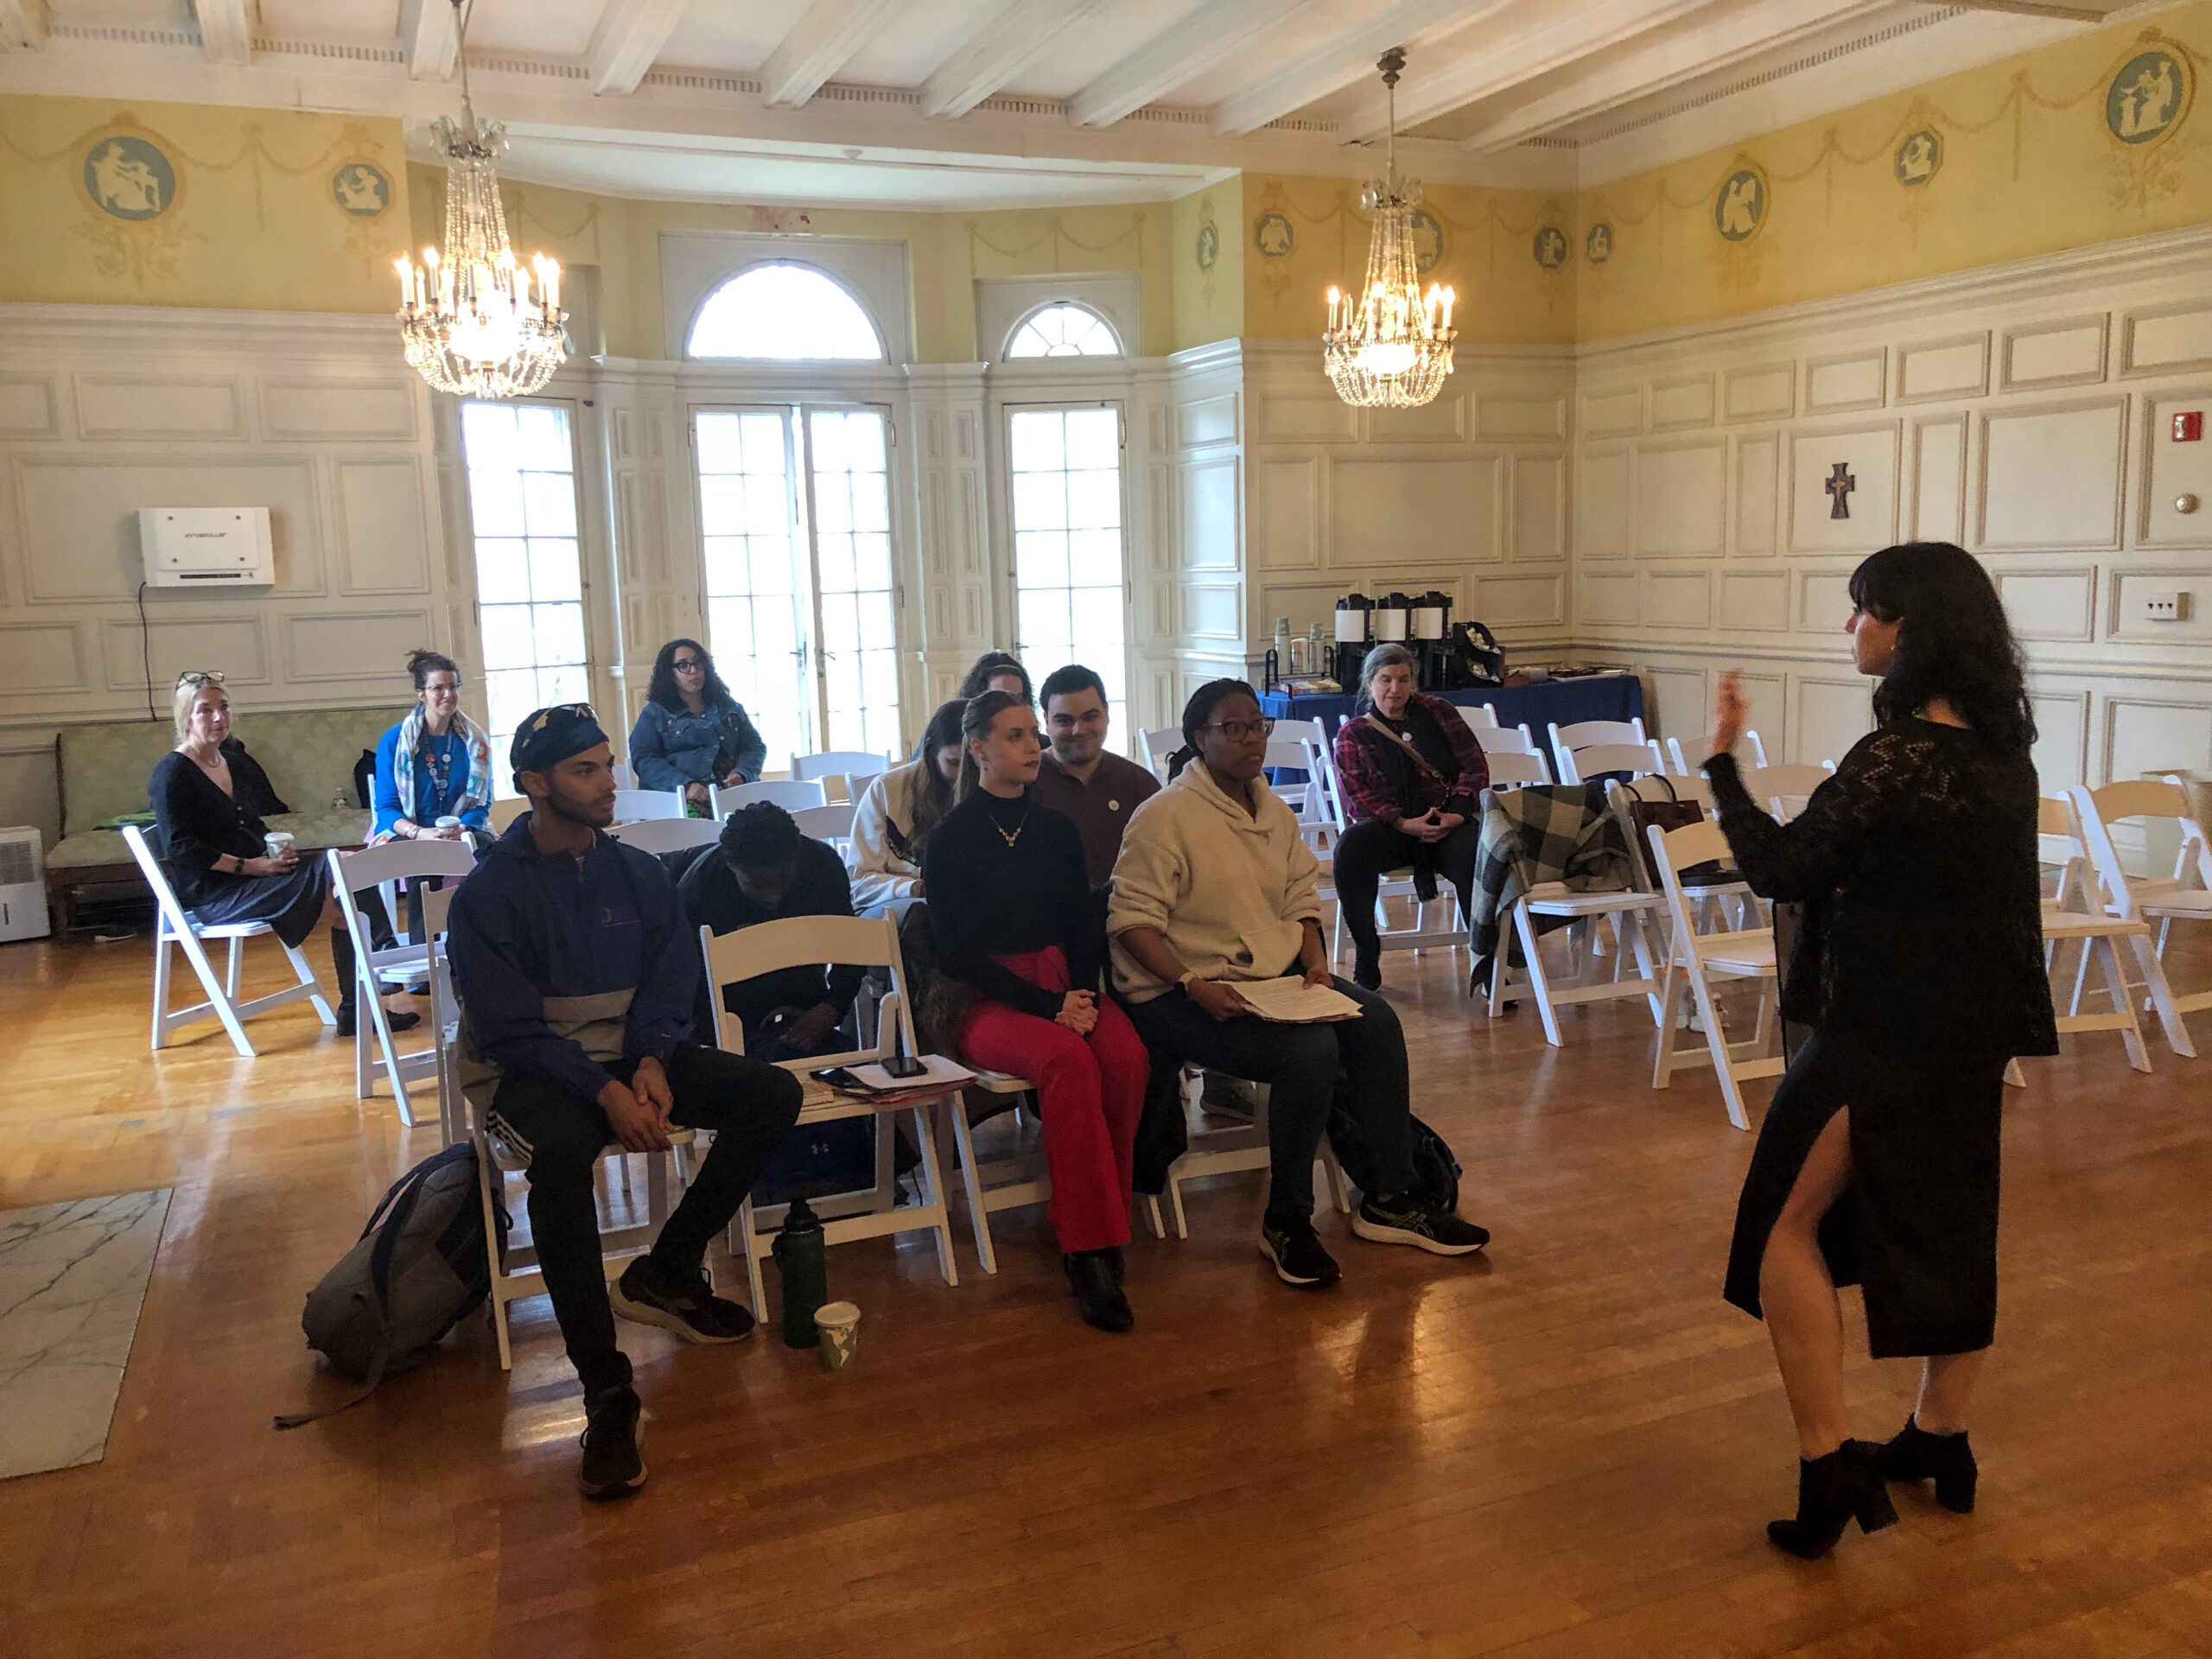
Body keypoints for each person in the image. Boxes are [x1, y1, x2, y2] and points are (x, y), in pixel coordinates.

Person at [1702, 542, 2056, 1559]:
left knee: (1778, 1227)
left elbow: (1778, 870)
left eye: (1864, 611)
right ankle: (1940, 1439)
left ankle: (1829, 1465)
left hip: (1880, 1035)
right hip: (1967, 1037)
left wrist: (1721, 760)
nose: (1849, 628)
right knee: (1950, 1230)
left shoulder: (1897, 758)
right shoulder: (2001, 752)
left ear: (1911, 630)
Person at [446, 703, 804, 1500]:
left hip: (632, 1052)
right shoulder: (489, 895)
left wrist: (649, 1058)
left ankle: (667, 1271)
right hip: (533, 1071)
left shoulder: (640, 871)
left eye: (609, 765)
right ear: (535, 785)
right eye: (586, 770)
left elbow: (669, 979)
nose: (610, 784)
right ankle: (607, 1392)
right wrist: (605, 1088)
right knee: (564, 1160)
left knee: (770, 1095)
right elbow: (508, 1032)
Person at [1108, 681, 1490, 1291]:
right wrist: (1192, 983)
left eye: (1256, 725)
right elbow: (1130, 923)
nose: (1250, 738)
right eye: (1232, 729)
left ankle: (1390, 1196)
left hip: (1275, 977)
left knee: (1377, 1022)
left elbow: (1300, 901)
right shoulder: (1165, 816)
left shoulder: (1274, 810)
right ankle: (1286, 1221)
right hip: (1175, 993)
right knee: (1307, 1053)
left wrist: (1315, 965)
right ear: (1199, 740)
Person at [920, 691, 1147, 1334]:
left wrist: (1079, 995)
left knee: (1126, 1057)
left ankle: (1108, 1217)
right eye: (1017, 736)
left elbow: (1081, 923)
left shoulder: (1053, 829)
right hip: (988, 998)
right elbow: (959, 954)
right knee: (1069, 1062)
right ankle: (1087, 1247)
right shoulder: (952, 838)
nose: (1033, 747)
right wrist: (1050, 1009)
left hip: (1062, 987)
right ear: (980, 749)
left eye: (1031, 735)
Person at [148, 672, 412, 1039]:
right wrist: (250, 866)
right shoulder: (172, 773)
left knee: (342, 894)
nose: (217, 718)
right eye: (204, 710)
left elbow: (248, 824)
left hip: (254, 875)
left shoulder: (230, 762)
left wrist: (273, 850)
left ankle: (357, 1010)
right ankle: (385, 956)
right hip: (216, 893)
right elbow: (181, 849)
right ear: (185, 718)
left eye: (223, 708)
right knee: (338, 863)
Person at [1330, 644, 1489, 990]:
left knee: (1479, 852)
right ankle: (1367, 955)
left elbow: (1474, 766)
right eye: (1385, 680)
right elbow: (1357, 798)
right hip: (1395, 828)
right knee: (1350, 850)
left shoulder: (1439, 712)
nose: (1395, 689)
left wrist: (1457, 815)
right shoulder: (1354, 732)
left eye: (1403, 680)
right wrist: (1403, 822)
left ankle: (1487, 962)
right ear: (1369, 683)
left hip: (1450, 821)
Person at [678, 802, 863, 1060]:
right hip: (727, 1009)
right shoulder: (698, 889)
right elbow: (689, 983)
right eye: (757, 886)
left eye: (784, 882)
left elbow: (850, 944)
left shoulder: (823, 866)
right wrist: (724, 1039)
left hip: (804, 992)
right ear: (733, 868)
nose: (773, 897)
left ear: (797, 861)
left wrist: (833, 1006)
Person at [1032, 664, 1159, 888]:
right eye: (1064, 720)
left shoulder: (1139, 784)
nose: (1078, 730)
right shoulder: (1025, 783)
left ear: (1107, 714)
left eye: (1090, 717)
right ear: (1046, 721)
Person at [850, 698, 963, 920]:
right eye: (954, 763)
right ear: (931, 752)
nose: (963, 776)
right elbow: (859, 883)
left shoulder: (985, 788)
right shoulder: (886, 789)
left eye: (973, 764)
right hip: (892, 902)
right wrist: (912, 888)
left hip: (958, 904)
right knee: (923, 917)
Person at [372, 648, 493, 849]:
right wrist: (418, 833)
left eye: (453, 687)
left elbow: (481, 803)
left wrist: (461, 828)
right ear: (422, 694)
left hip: (460, 831)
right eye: (438, 688)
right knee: (418, 856)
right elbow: (386, 808)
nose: (448, 695)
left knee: (491, 853)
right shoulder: (394, 741)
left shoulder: (476, 741)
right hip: (408, 831)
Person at [628, 639, 767, 811]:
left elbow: (754, 746)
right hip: (678, 799)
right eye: (683, 666)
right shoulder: (655, 713)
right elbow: (644, 760)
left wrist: (743, 774)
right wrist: (685, 785)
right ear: (670, 674)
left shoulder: (728, 706)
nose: (693, 670)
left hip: (733, 793)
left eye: (698, 663)